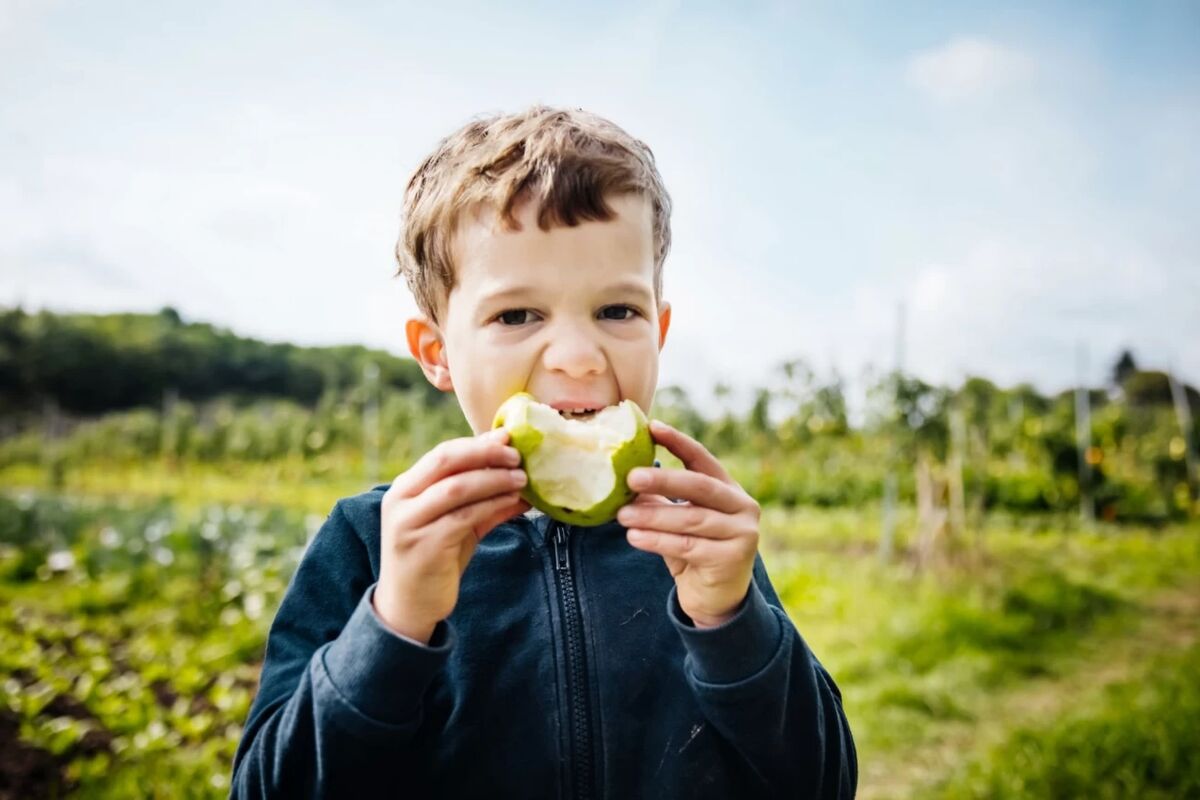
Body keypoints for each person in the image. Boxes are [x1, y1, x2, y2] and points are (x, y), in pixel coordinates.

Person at [230, 105, 856, 798]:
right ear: (438, 353)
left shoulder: (689, 542)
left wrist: (731, 621)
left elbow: (823, 783)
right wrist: (395, 623)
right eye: (516, 315)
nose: (581, 358)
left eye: (618, 311)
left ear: (661, 328)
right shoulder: (371, 543)